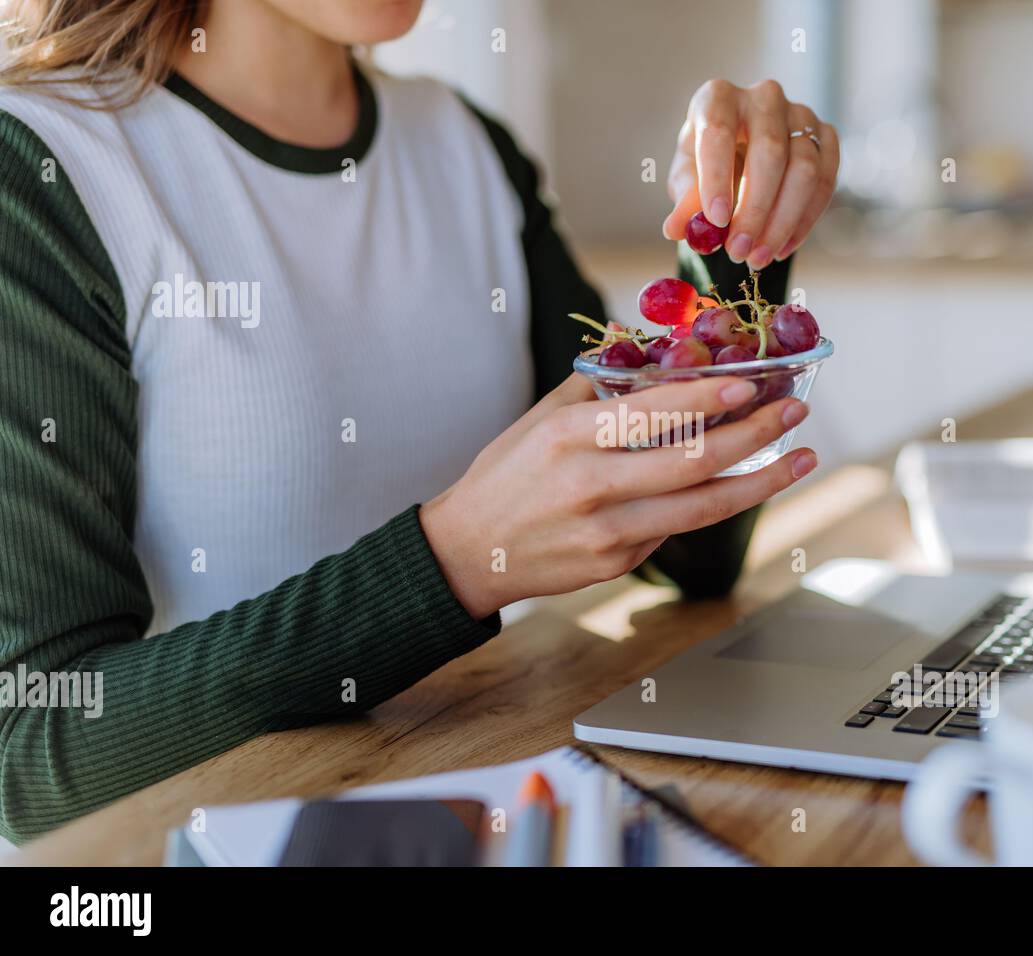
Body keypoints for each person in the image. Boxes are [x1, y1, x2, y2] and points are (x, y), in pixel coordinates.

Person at [0, 0, 839, 842]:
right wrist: (455, 566)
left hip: (472, 817)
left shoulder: (464, 144)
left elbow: (687, 557)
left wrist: (733, 237)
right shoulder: (42, 168)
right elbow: (32, 756)